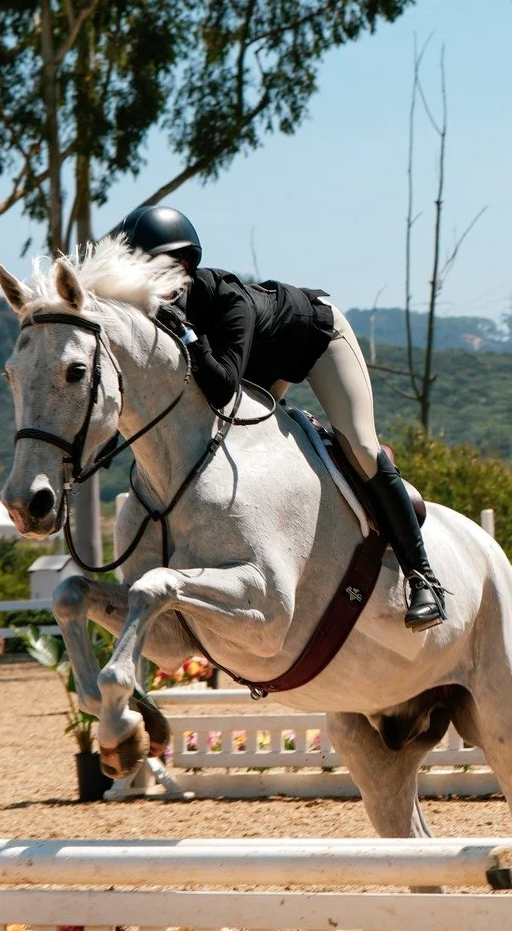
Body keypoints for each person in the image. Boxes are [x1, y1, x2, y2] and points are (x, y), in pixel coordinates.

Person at [111, 203, 446, 630]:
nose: (147, 284)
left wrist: (190, 336)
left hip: (317, 337)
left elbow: (222, 388)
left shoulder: (229, 301)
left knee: (359, 448)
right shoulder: (152, 316)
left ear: (185, 265)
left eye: (156, 270)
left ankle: (424, 578)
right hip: (255, 368)